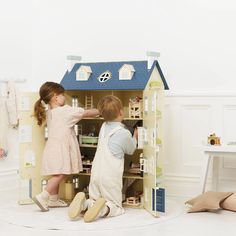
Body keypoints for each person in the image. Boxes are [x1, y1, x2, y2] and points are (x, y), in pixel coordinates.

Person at [68, 95, 138, 222]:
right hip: (110, 176)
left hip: (96, 172)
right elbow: (131, 149)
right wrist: (135, 136)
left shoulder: (104, 127)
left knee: (95, 199)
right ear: (121, 112)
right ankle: (103, 210)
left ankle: (85, 205)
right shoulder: (123, 133)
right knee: (115, 205)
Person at [33, 81, 99, 212]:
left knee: (57, 172)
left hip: (52, 147)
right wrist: (101, 110)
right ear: (55, 97)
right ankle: (43, 195)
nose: (65, 97)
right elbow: (86, 113)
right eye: (62, 94)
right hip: (60, 148)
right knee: (61, 173)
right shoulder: (65, 111)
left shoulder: (50, 112)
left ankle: (53, 200)